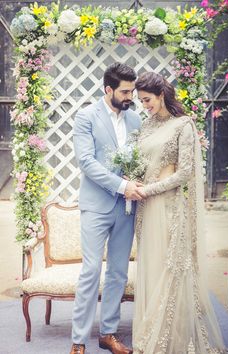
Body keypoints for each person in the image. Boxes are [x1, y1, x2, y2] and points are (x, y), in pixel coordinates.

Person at [132, 72, 227, 354]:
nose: (144, 105)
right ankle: (151, 332)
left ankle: (172, 338)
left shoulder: (182, 125)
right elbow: (141, 161)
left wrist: (149, 189)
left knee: (168, 268)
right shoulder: (147, 125)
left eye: (147, 99)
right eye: (141, 101)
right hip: (144, 208)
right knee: (150, 266)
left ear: (161, 94)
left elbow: (185, 172)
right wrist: (134, 180)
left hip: (168, 208)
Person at [71, 62, 145, 354]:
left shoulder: (136, 120)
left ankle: (108, 334)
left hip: (127, 208)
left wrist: (136, 181)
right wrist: (121, 184)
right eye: (125, 92)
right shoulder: (86, 116)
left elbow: (141, 158)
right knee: (90, 270)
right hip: (97, 205)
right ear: (108, 90)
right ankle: (78, 339)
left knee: (118, 272)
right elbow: (86, 162)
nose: (131, 97)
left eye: (132, 91)